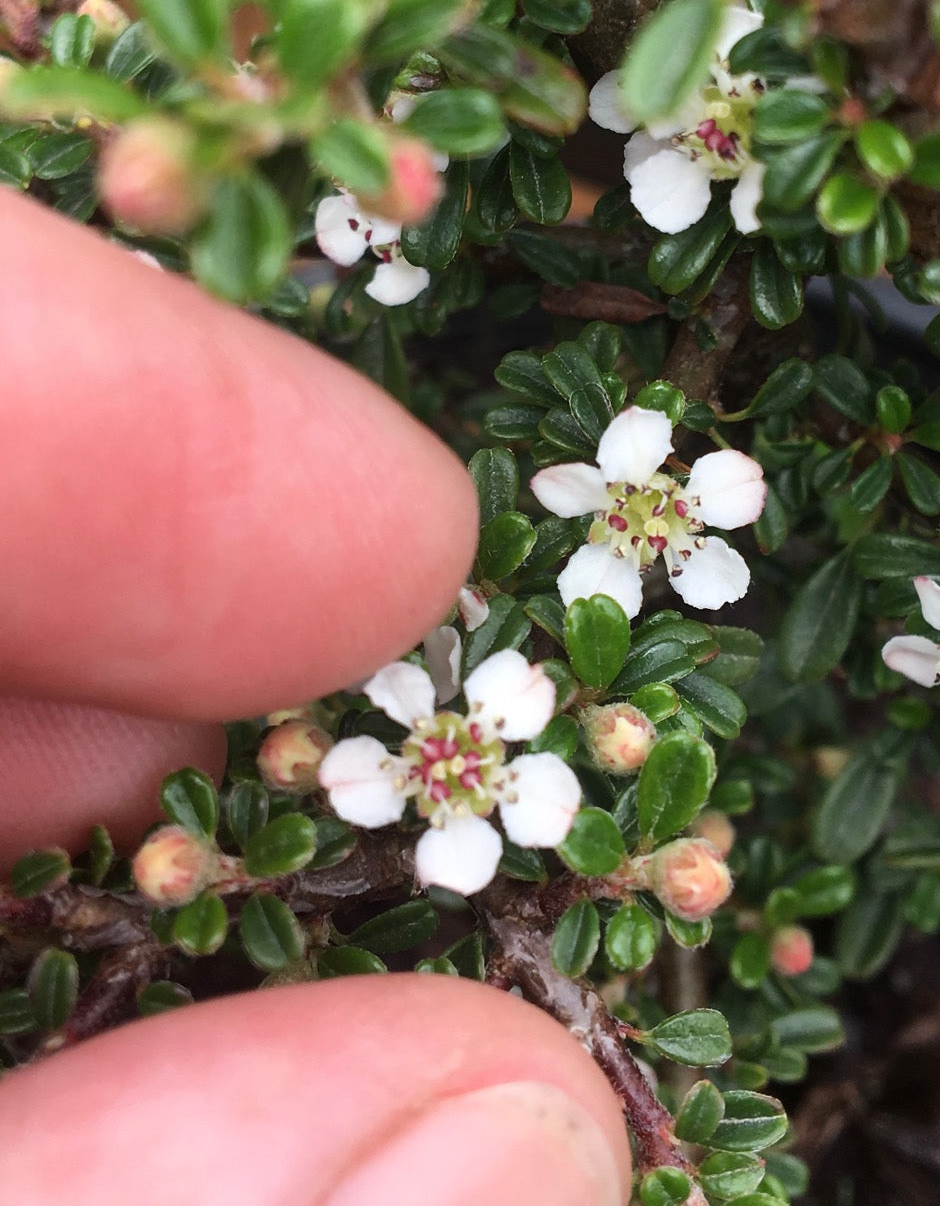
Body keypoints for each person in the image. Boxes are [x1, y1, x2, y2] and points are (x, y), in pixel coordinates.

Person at [0, 191, 631, 1206]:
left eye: (457, 762)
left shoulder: (479, 743)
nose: (452, 765)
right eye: (451, 760)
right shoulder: (421, 746)